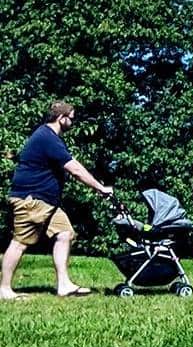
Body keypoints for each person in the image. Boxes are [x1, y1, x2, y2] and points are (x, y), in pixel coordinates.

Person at [1, 101, 113, 300]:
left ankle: (64, 285)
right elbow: (75, 169)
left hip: (46, 201)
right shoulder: (47, 138)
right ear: (61, 118)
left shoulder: (49, 137)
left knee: (65, 234)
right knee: (20, 242)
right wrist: (100, 188)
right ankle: (4, 289)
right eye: (72, 118)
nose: (73, 122)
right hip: (31, 199)